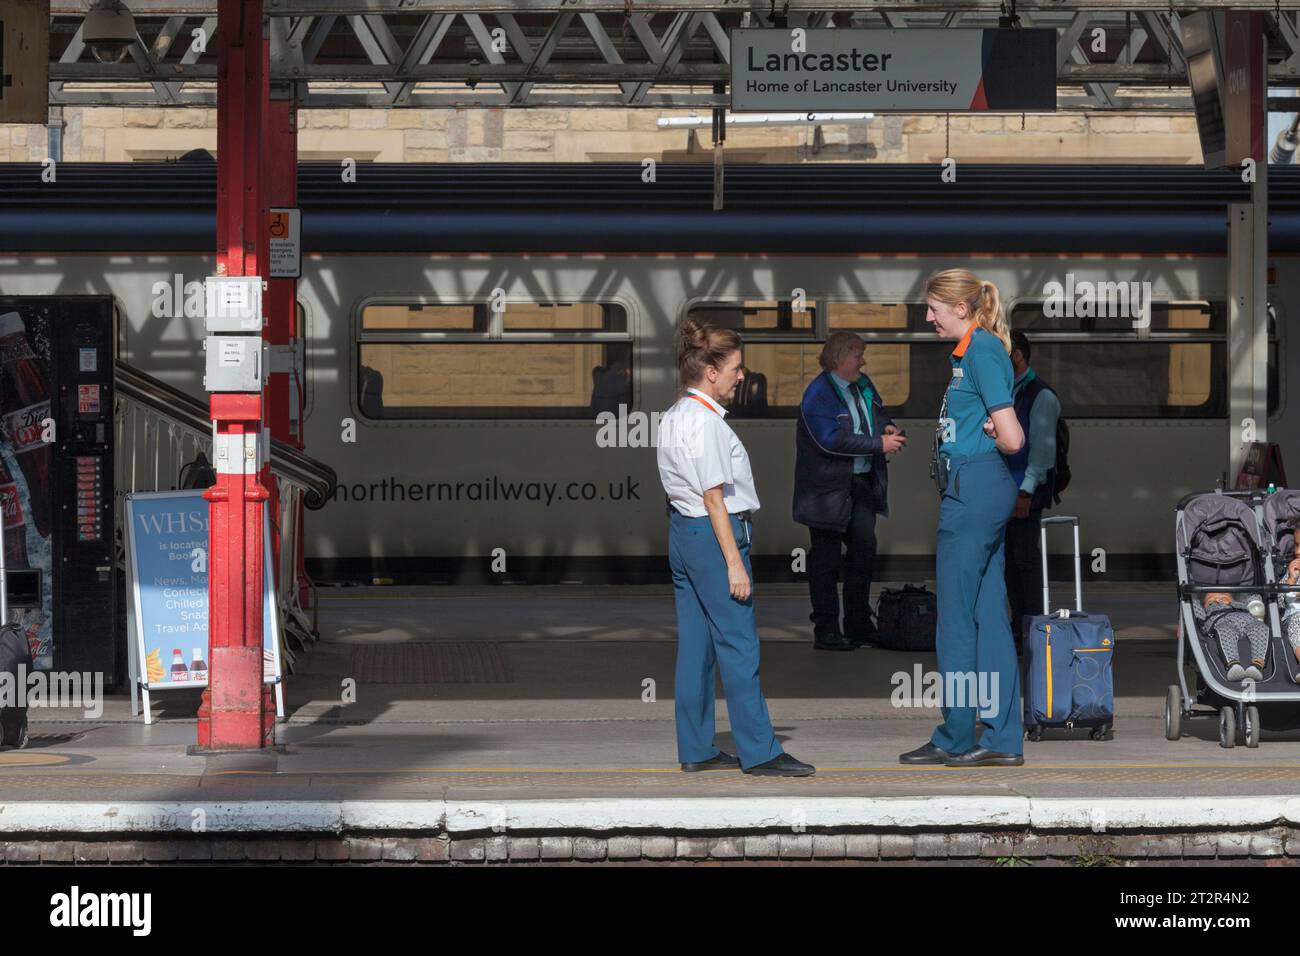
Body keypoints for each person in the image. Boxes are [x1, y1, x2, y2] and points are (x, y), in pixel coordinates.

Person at [656, 317, 815, 777]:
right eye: (735, 368)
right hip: (714, 536)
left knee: (696, 647)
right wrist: (734, 564)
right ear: (710, 372)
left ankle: (697, 746)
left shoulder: (672, 417)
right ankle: (761, 751)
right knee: (739, 645)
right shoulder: (706, 425)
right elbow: (713, 498)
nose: (741, 376)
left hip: (683, 534)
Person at [900, 269, 1026, 768]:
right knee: (989, 616)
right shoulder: (977, 352)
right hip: (978, 488)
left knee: (954, 619)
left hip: (972, 490)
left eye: (933, 307)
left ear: (961, 308)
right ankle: (1000, 736)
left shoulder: (982, 352)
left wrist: (997, 433)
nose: (927, 317)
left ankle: (955, 734)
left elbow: (1013, 437)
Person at [793, 331, 906, 651]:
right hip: (826, 492)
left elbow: (877, 411)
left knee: (863, 552)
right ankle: (826, 629)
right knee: (826, 560)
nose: (863, 361)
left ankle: (857, 624)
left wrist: (885, 426)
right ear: (840, 358)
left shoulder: (863, 384)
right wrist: (878, 443)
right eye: (858, 355)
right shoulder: (818, 395)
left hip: (859, 484)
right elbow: (829, 440)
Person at [1002, 331, 1062, 650]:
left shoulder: (1041, 396)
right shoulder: (1011, 391)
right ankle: (1017, 624)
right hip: (1006, 491)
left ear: (1018, 356)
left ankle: (1032, 626)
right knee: (1011, 562)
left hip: (1023, 493)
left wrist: (1025, 494)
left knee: (1025, 561)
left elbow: (1042, 453)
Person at [1196, 591, 1268, 682]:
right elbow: (1196, 609)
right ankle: (1233, 665)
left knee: (1260, 628)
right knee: (1225, 631)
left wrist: (1252, 591)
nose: (1217, 599)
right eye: (1210, 600)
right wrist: (1192, 600)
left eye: (1223, 597)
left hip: (1248, 620)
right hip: (1221, 621)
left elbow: (1255, 597)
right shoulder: (1208, 611)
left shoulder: (1241, 605)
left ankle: (1257, 665)